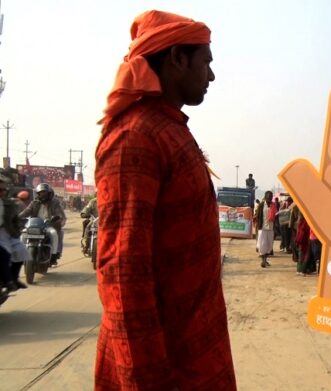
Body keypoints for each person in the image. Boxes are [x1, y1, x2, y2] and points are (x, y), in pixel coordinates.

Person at [94, 10, 236, 389]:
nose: (211, 75)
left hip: (196, 352)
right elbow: (123, 274)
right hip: (163, 368)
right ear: (176, 58)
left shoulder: (167, 129)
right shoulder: (135, 138)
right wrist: (145, 377)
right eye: (205, 61)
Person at [18, 183, 66, 267]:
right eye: (40, 193)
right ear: (38, 194)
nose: (42, 195)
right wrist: (17, 217)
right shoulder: (34, 202)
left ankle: (54, 255)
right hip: (35, 224)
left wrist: (58, 219)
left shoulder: (55, 202)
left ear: (49, 193)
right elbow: (27, 211)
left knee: (57, 233)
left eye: (44, 193)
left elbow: (60, 214)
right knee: (23, 235)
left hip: (49, 225)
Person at [255, 190, 276, 267]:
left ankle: (265, 260)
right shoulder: (261, 205)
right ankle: (263, 261)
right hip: (262, 228)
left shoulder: (273, 205)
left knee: (269, 245)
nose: (269, 200)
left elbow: (275, 216)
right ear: (265, 198)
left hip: (270, 228)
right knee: (262, 245)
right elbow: (258, 216)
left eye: (270, 198)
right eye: (268, 199)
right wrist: (258, 226)